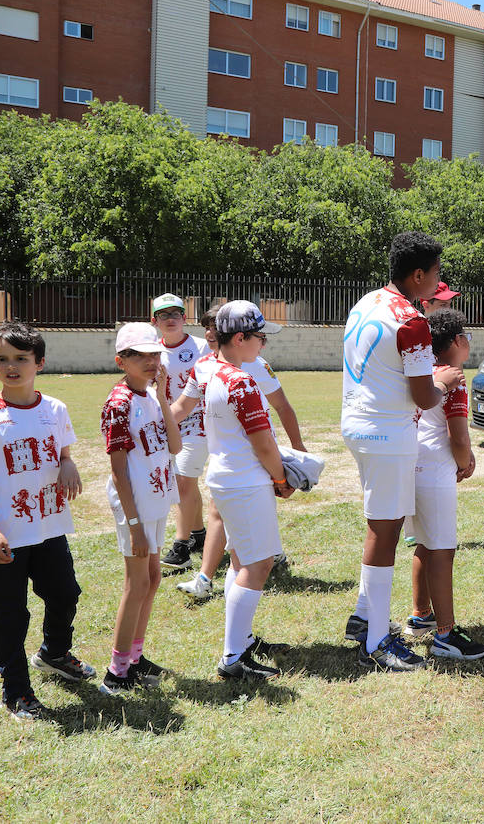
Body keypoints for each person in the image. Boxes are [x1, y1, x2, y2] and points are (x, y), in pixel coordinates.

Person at [0, 322, 92, 720]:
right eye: (2, 359)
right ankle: (16, 690)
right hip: (7, 535)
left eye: (21, 359)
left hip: (49, 527)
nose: (11, 366)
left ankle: (54, 654)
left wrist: (68, 463)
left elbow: (63, 452)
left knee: (65, 593)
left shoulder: (55, 409)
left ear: (40, 363)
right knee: (11, 613)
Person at [341, 231, 464, 672]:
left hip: (359, 423)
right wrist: (445, 382)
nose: (438, 283)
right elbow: (424, 397)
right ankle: (375, 641)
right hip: (386, 433)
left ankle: (363, 618)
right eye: (436, 274)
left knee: (384, 525)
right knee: (385, 531)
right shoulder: (411, 321)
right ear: (418, 274)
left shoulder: (366, 302)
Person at [173, 307, 305, 599]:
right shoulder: (213, 368)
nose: (208, 333)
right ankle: (210, 581)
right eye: (261, 337)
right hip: (244, 465)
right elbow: (181, 408)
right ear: (239, 337)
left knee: (239, 538)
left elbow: (282, 406)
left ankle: (211, 581)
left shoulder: (255, 365)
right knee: (243, 546)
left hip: (246, 464)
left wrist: (297, 448)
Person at [202, 301, 296, 679]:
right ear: (240, 339)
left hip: (229, 477)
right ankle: (234, 655)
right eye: (259, 338)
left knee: (242, 560)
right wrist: (281, 478)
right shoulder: (241, 381)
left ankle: (239, 640)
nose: (263, 345)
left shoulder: (215, 372)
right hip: (245, 480)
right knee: (258, 564)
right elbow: (262, 442)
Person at [99, 322, 181, 695]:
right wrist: (132, 524)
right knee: (137, 583)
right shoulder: (118, 405)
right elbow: (118, 472)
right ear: (121, 361)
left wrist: (163, 397)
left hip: (157, 499)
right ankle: (116, 672)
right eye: (141, 355)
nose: (151, 361)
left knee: (152, 578)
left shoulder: (149, 395)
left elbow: (176, 446)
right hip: (135, 507)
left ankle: (134, 656)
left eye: (155, 354)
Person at [402, 309, 484, 659]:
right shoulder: (455, 377)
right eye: (466, 335)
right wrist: (465, 461)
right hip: (435, 472)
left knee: (423, 544)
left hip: (410, 467)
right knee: (442, 551)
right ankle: (445, 634)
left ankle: (421, 615)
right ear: (456, 341)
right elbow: (457, 433)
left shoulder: (422, 372)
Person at [151, 293, 211, 572]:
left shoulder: (201, 347)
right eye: (164, 315)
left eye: (176, 314)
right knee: (188, 482)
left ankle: (181, 546)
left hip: (199, 421)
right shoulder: (151, 350)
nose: (171, 319)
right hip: (169, 422)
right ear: (155, 321)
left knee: (182, 483)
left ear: (185, 318)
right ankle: (198, 532)